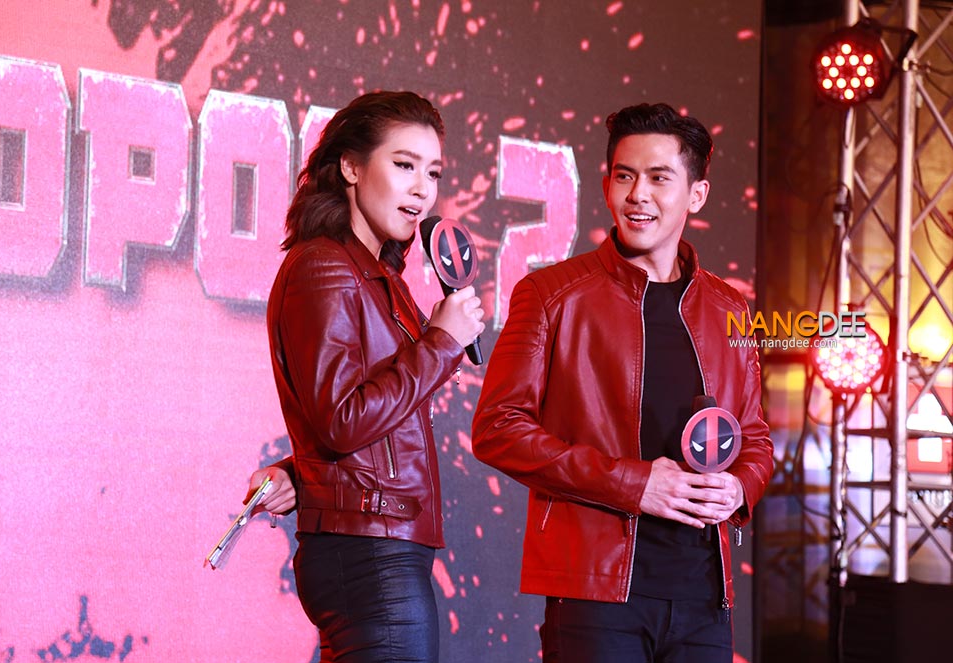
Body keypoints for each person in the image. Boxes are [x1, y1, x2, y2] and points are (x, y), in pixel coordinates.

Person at [471, 102, 774, 663]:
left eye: (659, 178)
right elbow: (498, 428)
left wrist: (739, 489)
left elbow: (753, 437)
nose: (638, 195)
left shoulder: (730, 308)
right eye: (624, 176)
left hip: (706, 597)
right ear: (607, 184)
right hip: (596, 596)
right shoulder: (551, 295)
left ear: (697, 195)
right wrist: (633, 484)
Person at [243, 90, 485, 663]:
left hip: (379, 546)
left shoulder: (378, 275)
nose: (422, 189)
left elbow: (349, 427)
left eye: (433, 172)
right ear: (351, 167)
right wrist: (440, 344)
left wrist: (300, 474)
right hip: (371, 553)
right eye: (404, 165)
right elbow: (342, 420)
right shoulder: (325, 267)